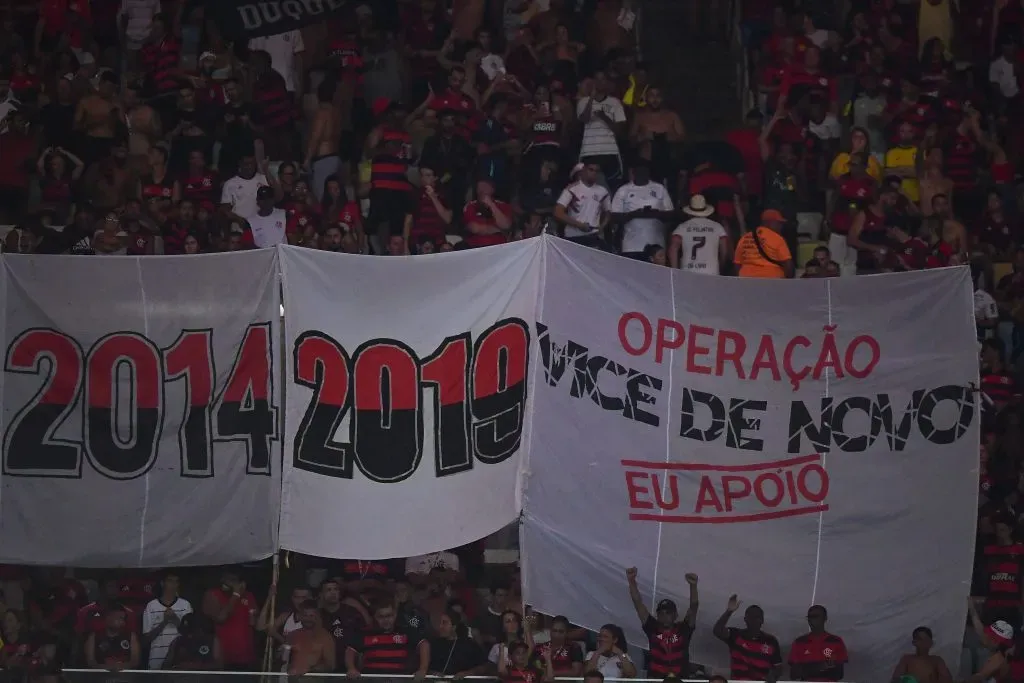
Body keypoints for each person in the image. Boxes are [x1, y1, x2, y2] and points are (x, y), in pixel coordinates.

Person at [626, 567, 697, 677]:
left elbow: (694, 607)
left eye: (668, 612)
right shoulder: (652, 627)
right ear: (657, 615)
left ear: (675, 615)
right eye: (661, 613)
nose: (664, 616)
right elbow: (637, 602)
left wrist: (693, 586)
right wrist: (631, 581)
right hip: (656, 680)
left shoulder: (684, 629)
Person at [345, 601, 429, 677]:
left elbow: (424, 644)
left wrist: (423, 669)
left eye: (389, 616)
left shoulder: (405, 632)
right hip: (372, 679)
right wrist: (351, 668)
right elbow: (350, 650)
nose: (385, 620)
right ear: (374, 617)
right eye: (381, 617)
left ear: (395, 615)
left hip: (399, 679)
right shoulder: (365, 633)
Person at [610, 158, 674, 259]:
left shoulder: (659, 188)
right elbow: (614, 217)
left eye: (644, 171)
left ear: (648, 172)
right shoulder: (623, 190)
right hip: (631, 246)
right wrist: (633, 215)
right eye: (639, 171)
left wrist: (656, 214)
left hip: (656, 245)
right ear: (633, 172)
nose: (642, 173)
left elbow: (671, 215)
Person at [713, 595, 783, 683]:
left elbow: (778, 668)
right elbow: (717, 631)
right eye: (751, 617)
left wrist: (772, 676)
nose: (754, 620)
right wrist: (729, 611)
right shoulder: (736, 635)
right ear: (745, 619)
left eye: (758, 617)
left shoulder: (771, 641)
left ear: (762, 620)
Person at [202, 572, 258, 671]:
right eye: (225, 579)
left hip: (245, 656)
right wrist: (235, 595)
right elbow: (221, 618)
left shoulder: (248, 595)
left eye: (232, 580)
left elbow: (253, 622)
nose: (226, 582)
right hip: (223, 656)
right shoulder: (212, 594)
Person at [555, 160, 611, 249]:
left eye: (596, 171)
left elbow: (608, 212)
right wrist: (578, 225)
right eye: (591, 170)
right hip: (572, 236)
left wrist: (602, 226)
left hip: (593, 236)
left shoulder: (603, 191)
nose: (594, 173)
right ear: (584, 170)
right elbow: (558, 212)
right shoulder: (571, 189)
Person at [141, 572, 192, 670]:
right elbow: (146, 640)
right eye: (170, 581)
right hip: (156, 660)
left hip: (179, 661)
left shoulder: (185, 605)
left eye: (176, 582)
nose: (173, 585)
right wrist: (164, 622)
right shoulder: (151, 606)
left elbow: (190, 635)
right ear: (162, 583)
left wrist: (175, 619)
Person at [669, 195, 729, 273]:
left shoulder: (682, 228)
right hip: (711, 272)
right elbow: (724, 251)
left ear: (689, 212)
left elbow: (672, 250)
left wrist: (675, 271)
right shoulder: (718, 227)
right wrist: (720, 266)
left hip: (688, 272)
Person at [788, 605, 848, 681]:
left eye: (815, 616)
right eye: (809, 617)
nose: (812, 620)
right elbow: (794, 674)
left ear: (825, 618)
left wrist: (807, 668)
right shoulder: (799, 642)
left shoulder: (836, 642)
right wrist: (822, 666)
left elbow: (838, 674)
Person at [734, 209, 794, 278]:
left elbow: (737, 263)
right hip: (771, 280)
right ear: (768, 222)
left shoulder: (744, 238)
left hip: (746, 279)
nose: (780, 227)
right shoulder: (778, 238)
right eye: (778, 223)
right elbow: (788, 264)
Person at [428, 609, 486, 677]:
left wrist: (468, 673)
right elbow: (426, 668)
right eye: (440, 623)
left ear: (454, 627)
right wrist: (434, 673)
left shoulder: (469, 644)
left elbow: (483, 667)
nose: (440, 626)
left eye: (444, 623)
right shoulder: (434, 644)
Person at [286, 600, 335, 675]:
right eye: (305, 615)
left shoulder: (325, 637)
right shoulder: (292, 635)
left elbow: (330, 666)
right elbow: (283, 661)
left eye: (311, 616)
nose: (308, 619)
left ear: (317, 616)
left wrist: (309, 671)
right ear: (300, 616)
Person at [84, 606, 140, 671]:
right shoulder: (94, 636)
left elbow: (135, 661)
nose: (122, 621)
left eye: (123, 619)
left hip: (125, 677)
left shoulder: (131, 636)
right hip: (100, 677)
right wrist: (107, 668)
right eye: (119, 618)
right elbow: (90, 662)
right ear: (108, 617)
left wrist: (120, 667)